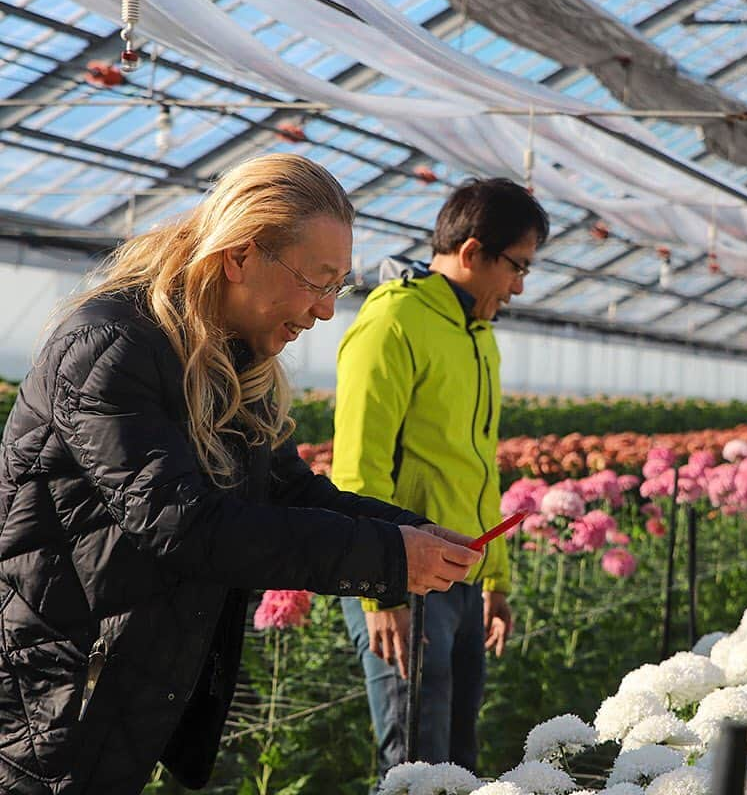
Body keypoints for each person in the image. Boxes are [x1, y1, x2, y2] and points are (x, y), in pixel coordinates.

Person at [0, 154, 481, 795]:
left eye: (337, 287)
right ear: (240, 257)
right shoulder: (109, 346)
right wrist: (390, 557)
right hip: (53, 695)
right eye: (318, 281)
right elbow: (187, 524)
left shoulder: (229, 359)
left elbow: (291, 490)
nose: (325, 310)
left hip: (118, 683)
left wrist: (416, 533)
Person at [333, 177, 549, 778]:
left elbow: (479, 466)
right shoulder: (394, 322)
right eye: (517, 266)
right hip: (404, 575)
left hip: (461, 575)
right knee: (415, 763)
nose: (520, 285)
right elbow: (358, 469)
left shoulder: (478, 335)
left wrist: (495, 578)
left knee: (458, 757)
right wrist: (382, 591)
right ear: (474, 252)